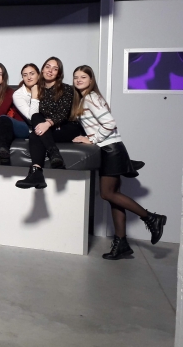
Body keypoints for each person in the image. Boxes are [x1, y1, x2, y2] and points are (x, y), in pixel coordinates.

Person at [71, 65, 166, 259]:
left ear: (91, 80)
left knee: (107, 194)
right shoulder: (86, 98)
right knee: (114, 197)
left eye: (83, 77)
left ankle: (151, 218)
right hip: (111, 148)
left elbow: (110, 123)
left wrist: (92, 139)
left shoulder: (91, 98)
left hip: (110, 150)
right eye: (76, 77)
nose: (79, 80)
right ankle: (121, 243)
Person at [15, 57, 81, 189]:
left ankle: (38, 171)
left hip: (66, 127)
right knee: (36, 122)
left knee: (36, 134)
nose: (50, 71)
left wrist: (48, 123)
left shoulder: (67, 89)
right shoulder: (38, 89)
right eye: (48, 67)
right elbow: (34, 115)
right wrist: (35, 95)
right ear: (42, 70)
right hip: (47, 129)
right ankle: (49, 158)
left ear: (58, 73)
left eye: (55, 69)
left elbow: (63, 113)